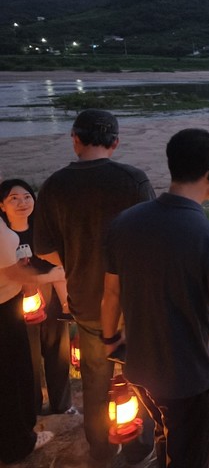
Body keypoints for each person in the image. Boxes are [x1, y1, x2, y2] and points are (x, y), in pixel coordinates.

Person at [101, 128, 209, 468]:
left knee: (164, 434)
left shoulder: (125, 223)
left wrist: (109, 338)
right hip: (187, 378)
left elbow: (111, 292)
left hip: (139, 368)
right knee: (189, 454)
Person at [33, 109, 155, 466]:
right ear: (115, 142)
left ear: (75, 139)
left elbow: (44, 250)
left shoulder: (54, 185)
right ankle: (138, 446)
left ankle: (100, 448)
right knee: (140, 375)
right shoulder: (133, 180)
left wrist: (74, 260)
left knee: (95, 381)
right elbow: (152, 240)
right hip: (133, 304)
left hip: (86, 303)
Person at [0, 178, 74, 416]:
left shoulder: (43, 231)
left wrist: (65, 302)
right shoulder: (4, 237)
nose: (22, 203)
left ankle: (62, 405)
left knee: (58, 353)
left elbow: (59, 266)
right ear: (2, 206)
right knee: (28, 359)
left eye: (27, 197)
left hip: (49, 295)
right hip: (17, 301)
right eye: (14, 198)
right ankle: (31, 409)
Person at [0, 213, 58, 463]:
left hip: (6, 304)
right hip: (3, 310)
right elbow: (14, 273)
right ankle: (18, 444)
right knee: (12, 377)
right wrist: (54, 275)